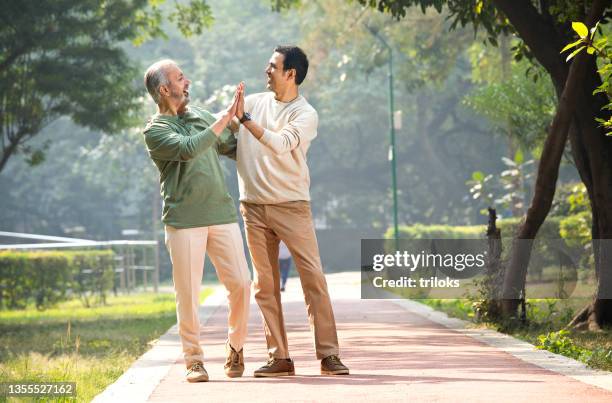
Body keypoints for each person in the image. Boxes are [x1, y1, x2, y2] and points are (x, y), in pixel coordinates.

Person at [234, 46, 349, 377]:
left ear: (291, 74)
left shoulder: (305, 114)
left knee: (313, 278)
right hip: (253, 207)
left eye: (272, 66)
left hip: (292, 205)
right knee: (264, 285)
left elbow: (281, 143)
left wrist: (244, 120)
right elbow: (226, 134)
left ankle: (329, 354)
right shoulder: (253, 103)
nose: (265, 70)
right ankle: (279, 357)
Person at [142, 60, 251, 383]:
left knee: (242, 284)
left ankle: (236, 347)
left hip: (222, 214)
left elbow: (232, 148)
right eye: (180, 78)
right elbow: (189, 148)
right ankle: (194, 360)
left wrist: (241, 121)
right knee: (188, 293)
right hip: (184, 221)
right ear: (164, 89)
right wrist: (222, 120)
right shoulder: (156, 130)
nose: (187, 81)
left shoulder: (202, 116)